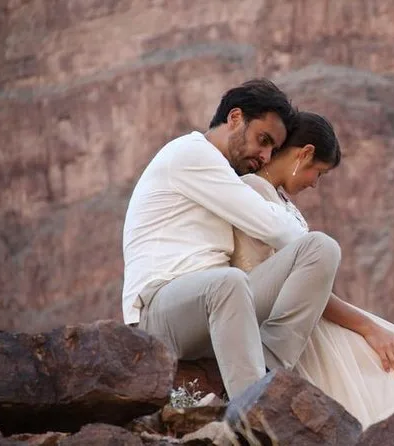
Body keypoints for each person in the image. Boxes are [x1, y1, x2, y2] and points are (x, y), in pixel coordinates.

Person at [231, 111, 394, 428]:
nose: (314, 183)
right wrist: (368, 328)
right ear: (305, 153)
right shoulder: (253, 193)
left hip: (306, 319)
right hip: (286, 326)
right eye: (319, 172)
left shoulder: (279, 200)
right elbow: (288, 284)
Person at [121, 79, 342, 400]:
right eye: (263, 140)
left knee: (321, 249)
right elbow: (277, 230)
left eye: (273, 149)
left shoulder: (227, 173)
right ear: (235, 118)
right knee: (229, 282)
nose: (265, 156)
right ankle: (251, 409)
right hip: (159, 310)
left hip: (219, 307)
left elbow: (291, 240)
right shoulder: (191, 153)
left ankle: (268, 370)